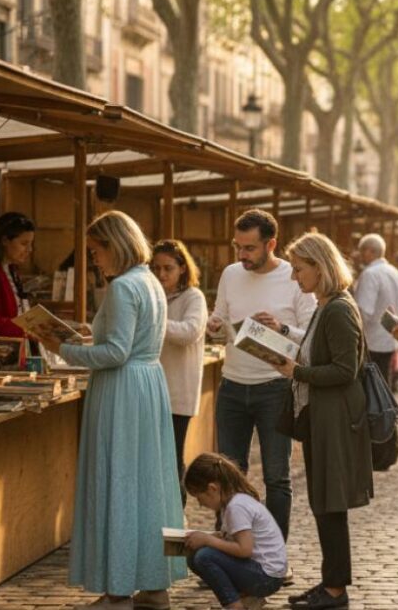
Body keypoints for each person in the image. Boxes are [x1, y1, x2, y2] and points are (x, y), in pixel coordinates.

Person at [34, 211, 184, 610]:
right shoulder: (150, 281)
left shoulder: (123, 287)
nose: (94, 260)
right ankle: (155, 585)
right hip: (148, 386)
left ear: (114, 245)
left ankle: (118, 591)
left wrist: (61, 348)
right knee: (148, 485)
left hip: (122, 391)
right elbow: (127, 339)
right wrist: (87, 333)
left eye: (96, 251)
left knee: (119, 482)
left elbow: (116, 352)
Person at [269, 232, 374, 610]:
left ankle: (334, 590)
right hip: (323, 417)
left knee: (330, 504)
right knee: (324, 503)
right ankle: (331, 583)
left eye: (299, 269)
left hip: (335, 419)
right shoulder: (325, 306)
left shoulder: (338, 309)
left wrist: (296, 371)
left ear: (319, 266)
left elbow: (346, 370)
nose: (296, 278)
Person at [207, 209, 316, 541]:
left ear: (271, 244)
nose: (241, 255)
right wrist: (213, 326)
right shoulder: (230, 273)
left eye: (249, 248)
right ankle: (229, 547)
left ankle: (274, 555)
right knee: (228, 475)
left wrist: (282, 328)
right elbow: (219, 318)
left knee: (276, 477)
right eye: (237, 246)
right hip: (232, 386)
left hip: (275, 388)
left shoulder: (295, 277)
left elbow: (313, 332)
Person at [183, 453, 287, 610]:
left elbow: (244, 549)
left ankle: (234, 605)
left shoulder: (236, 507)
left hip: (266, 576)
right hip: (260, 570)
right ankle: (247, 599)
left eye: (199, 498)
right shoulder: (230, 504)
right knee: (194, 556)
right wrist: (214, 537)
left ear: (212, 489)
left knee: (204, 556)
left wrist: (208, 540)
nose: (200, 505)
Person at [151, 239, 208, 505]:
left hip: (177, 395)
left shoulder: (193, 297)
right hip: (152, 391)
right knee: (153, 462)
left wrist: (152, 319)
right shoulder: (154, 295)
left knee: (172, 461)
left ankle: (176, 519)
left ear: (182, 268)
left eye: (168, 268)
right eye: (157, 268)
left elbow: (189, 332)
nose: (161, 275)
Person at [354, 233, 398, 380]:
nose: (360, 255)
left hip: (372, 342)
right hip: (392, 339)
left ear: (370, 251)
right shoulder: (396, 272)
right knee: (383, 387)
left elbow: (363, 312)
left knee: (373, 391)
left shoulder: (370, 274)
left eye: (362, 251)